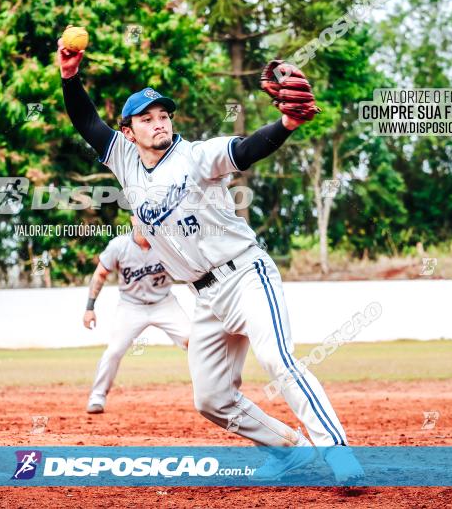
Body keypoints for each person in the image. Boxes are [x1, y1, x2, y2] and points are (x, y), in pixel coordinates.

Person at [58, 41, 363, 483]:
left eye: (164, 115)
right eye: (147, 119)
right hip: (203, 297)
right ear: (129, 131)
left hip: (245, 275)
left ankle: (339, 456)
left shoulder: (195, 156)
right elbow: (87, 122)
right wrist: (69, 78)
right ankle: (288, 451)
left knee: (278, 360)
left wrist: (285, 124)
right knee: (212, 400)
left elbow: (245, 148)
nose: (159, 123)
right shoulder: (124, 160)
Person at [83, 219, 190, 414]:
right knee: (114, 351)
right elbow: (100, 274)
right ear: (133, 220)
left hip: (164, 304)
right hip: (130, 307)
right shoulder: (119, 246)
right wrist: (90, 308)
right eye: (140, 217)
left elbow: (191, 271)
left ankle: (214, 391)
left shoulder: (167, 245)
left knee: (193, 341)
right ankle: (97, 396)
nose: (145, 222)